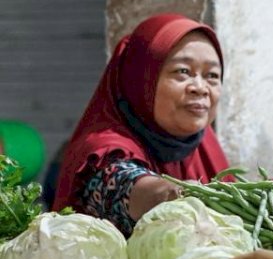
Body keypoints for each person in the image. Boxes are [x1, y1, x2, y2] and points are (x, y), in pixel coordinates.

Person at [53, 13, 229, 235]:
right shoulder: (102, 153)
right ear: (141, 79)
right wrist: (176, 194)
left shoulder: (205, 145)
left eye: (212, 75)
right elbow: (123, 184)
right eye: (182, 71)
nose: (200, 88)